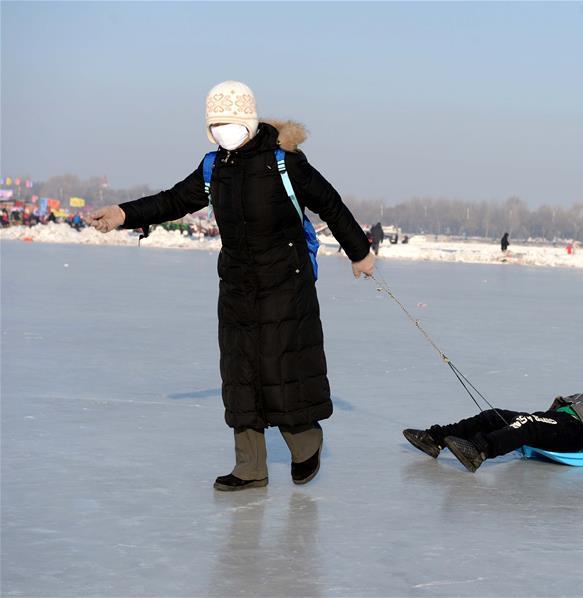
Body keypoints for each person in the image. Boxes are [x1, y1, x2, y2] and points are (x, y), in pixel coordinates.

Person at [85, 81, 376, 491]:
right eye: (216, 123)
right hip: (238, 284)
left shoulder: (284, 162)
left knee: (280, 366)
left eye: (231, 121)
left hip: (285, 282)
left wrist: (359, 251)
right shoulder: (213, 167)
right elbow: (173, 200)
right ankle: (250, 467)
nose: (224, 129)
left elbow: (330, 203)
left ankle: (306, 441)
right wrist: (123, 213)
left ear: (249, 121)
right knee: (239, 372)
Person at [403, 391, 583, 472]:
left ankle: (480, 451)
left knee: (526, 426)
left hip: (578, 433)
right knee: (492, 415)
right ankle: (435, 438)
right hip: (557, 421)